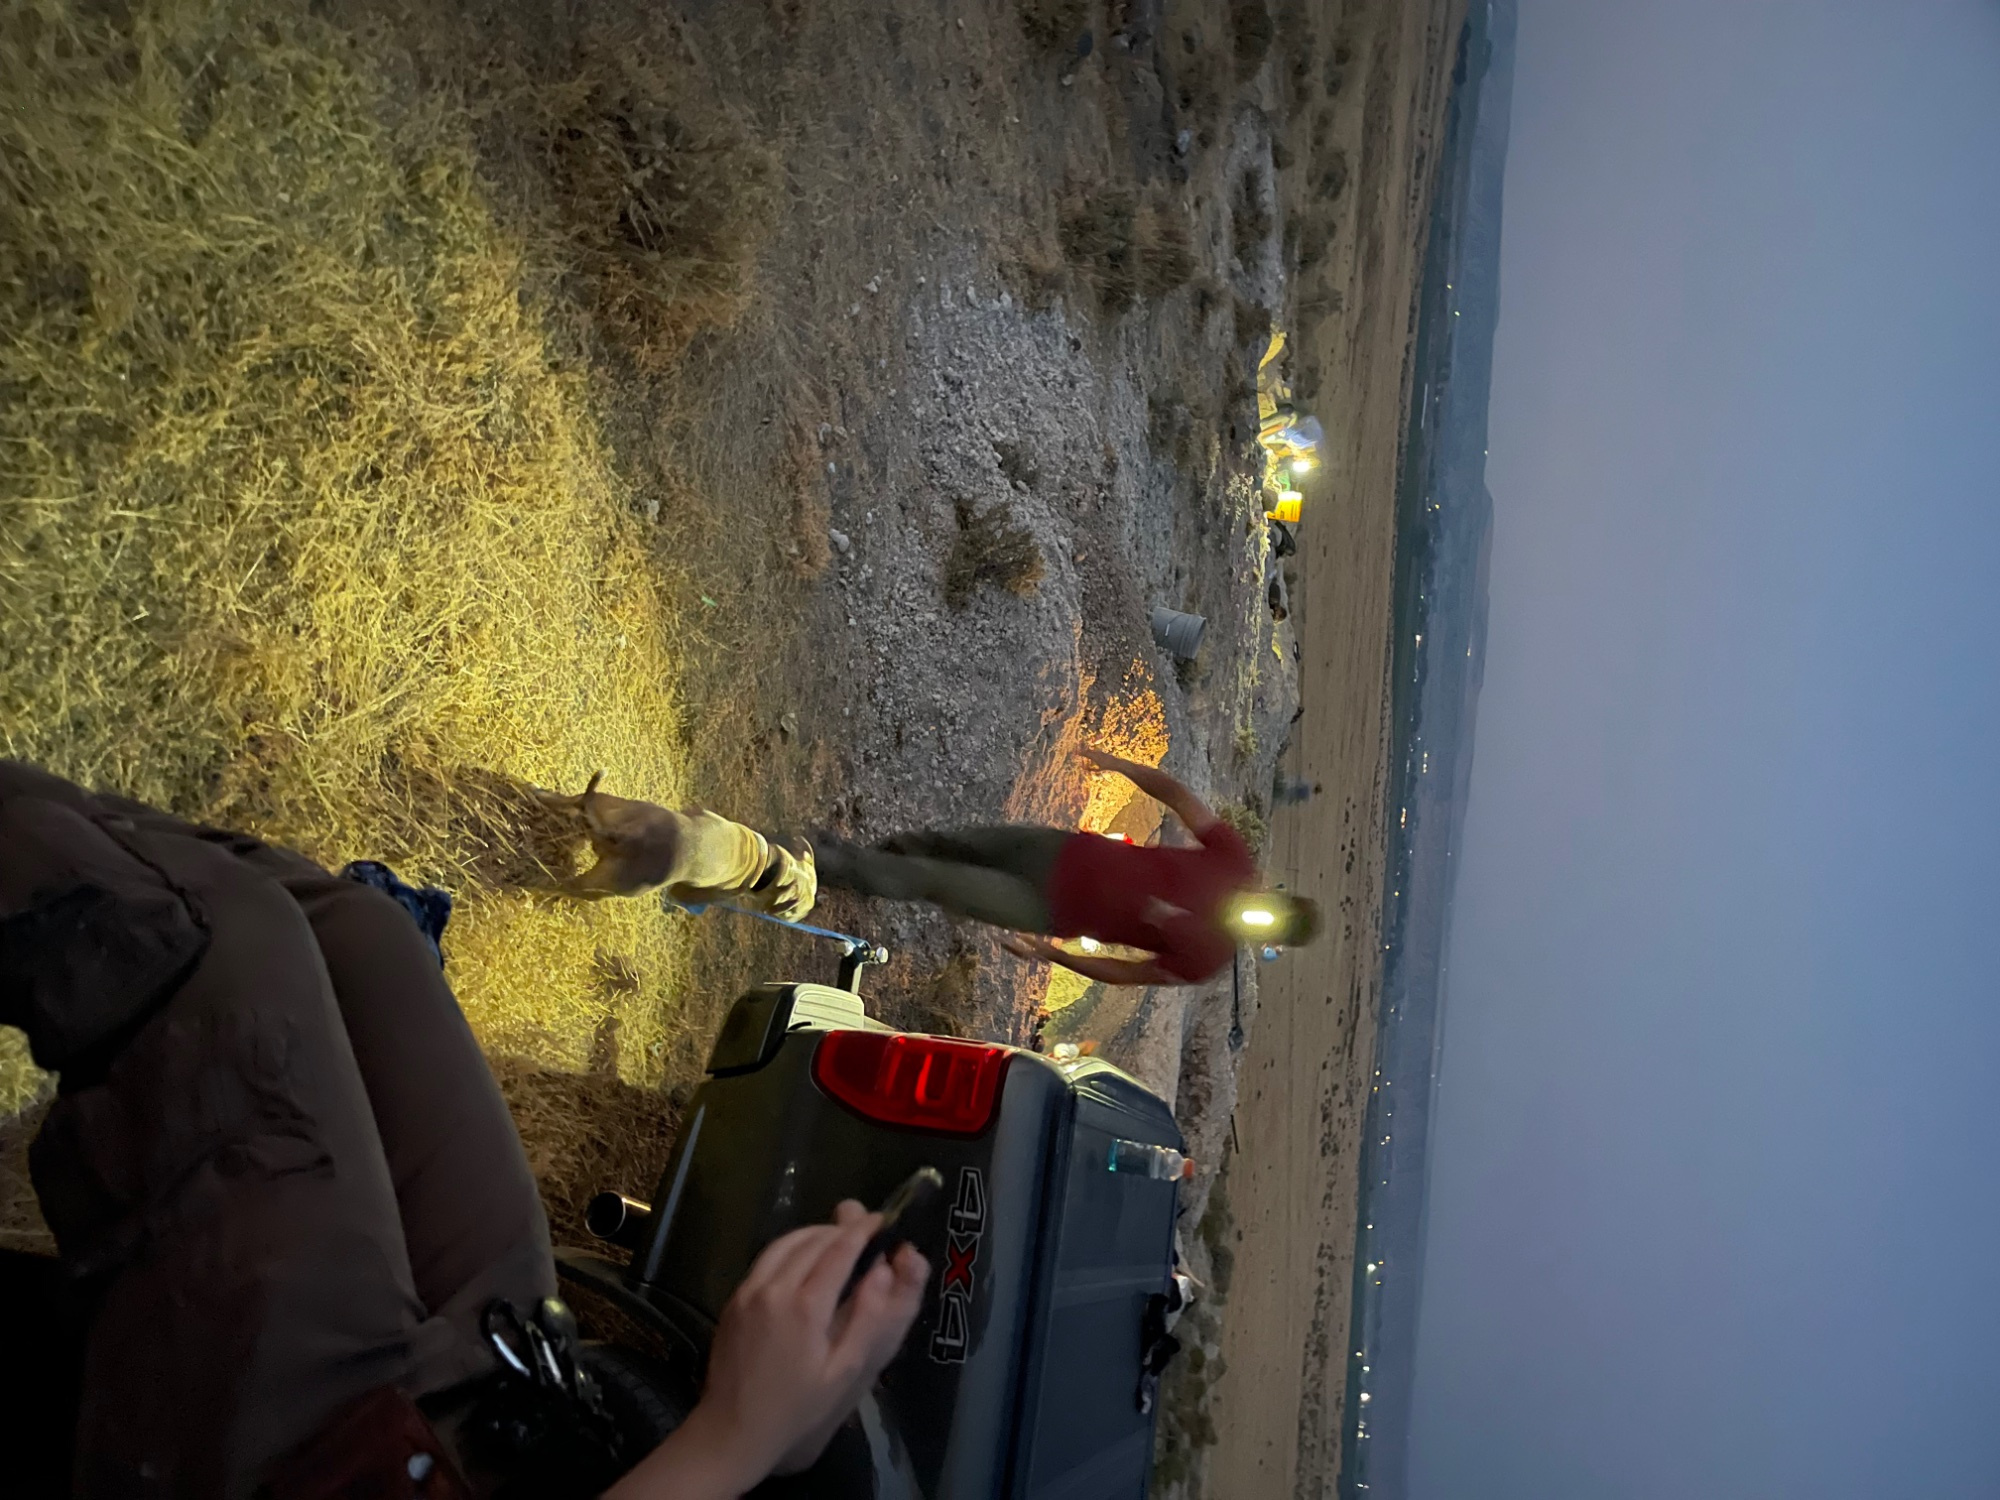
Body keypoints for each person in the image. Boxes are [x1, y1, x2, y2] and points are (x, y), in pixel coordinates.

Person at [0, 759, 924, 1497]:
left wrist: (736, 1437)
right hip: (537, 1423)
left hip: (353, 1469)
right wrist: (787, 1438)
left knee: (212, 942)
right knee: (361, 935)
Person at [815, 746, 1320, 987]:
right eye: (1272, 910)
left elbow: (1124, 973)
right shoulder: (1233, 860)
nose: (1261, 918)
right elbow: (1180, 797)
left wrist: (1050, 954)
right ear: (1275, 895)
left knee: (935, 880)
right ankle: (857, 863)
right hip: (1057, 850)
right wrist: (1123, 767)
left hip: (1044, 909)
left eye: (1268, 928)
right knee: (945, 844)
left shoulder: (1208, 959)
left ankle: (824, 863)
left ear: (1267, 942)